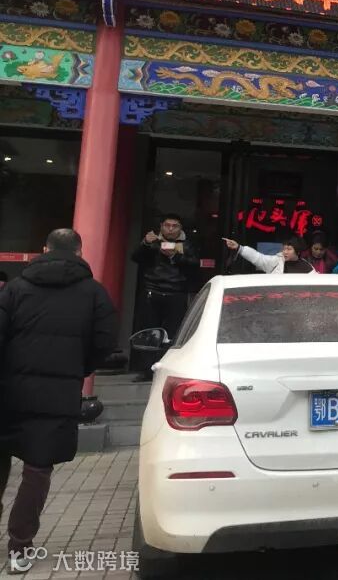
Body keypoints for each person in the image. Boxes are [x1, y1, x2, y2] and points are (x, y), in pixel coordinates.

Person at [0, 229, 117, 575]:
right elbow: (105, 342)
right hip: (57, 393)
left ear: (44, 249)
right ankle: (19, 546)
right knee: (37, 470)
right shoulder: (94, 293)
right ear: (80, 252)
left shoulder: (16, 288)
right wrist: (78, 368)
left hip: (8, 390)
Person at [130, 214, 198, 382]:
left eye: (175, 226)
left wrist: (174, 256)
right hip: (153, 291)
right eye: (167, 225)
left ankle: (168, 369)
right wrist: (145, 243)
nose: (170, 229)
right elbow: (135, 258)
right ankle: (147, 370)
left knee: (173, 334)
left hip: (176, 293)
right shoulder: (153, 241)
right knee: (149, 333)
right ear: (161, 226)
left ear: (180, 228)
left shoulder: (187, 244)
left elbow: (195, 265)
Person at [223, 235, 314, 274]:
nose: (285, 252)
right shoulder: (277, 261)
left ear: (298, 251)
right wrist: (239, 248)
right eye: (284, 248)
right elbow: (258, 258)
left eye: (289, 249)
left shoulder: (307, 268)